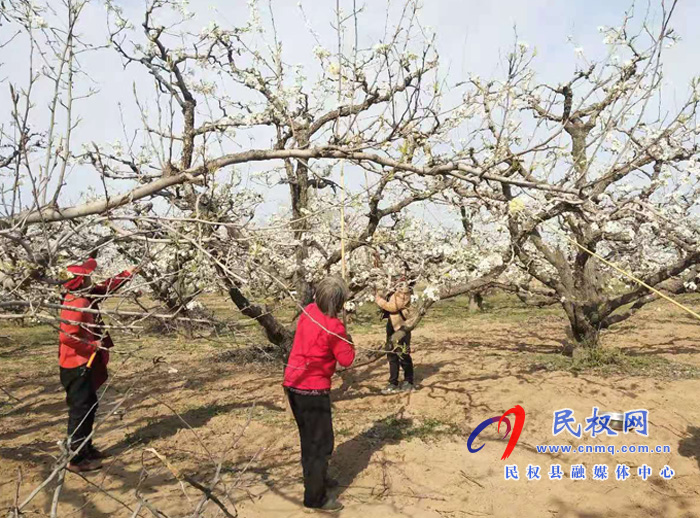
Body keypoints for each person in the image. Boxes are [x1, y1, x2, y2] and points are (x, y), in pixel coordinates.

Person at [283, 276, 355, 513]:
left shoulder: (309, 311)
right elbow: (347, 359)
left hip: (293, 383)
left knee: (309, 439)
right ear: (339, 303)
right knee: (321, 445)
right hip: (311, 390)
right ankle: (315, 498)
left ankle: (317, 480)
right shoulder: (334, 327)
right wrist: (348, 339)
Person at [59, 258, 137, 473]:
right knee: (81, 409)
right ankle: (76, 458)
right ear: (82, 280)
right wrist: (93, 345)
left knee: (89, 405)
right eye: (88, 276)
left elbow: (103, 289)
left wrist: (127, 273)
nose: (92, 280)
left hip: (82, 362)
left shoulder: (83, 296)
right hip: (77, 365)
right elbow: (67, 337)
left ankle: (86, 448)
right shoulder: (77, 303)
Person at [375, 281, 414, 394]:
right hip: (391, 324)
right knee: (391, 353)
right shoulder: (391, 287)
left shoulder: (404, 289)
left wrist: (379, 301)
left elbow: (394, 307)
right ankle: (393, 382)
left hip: (401, 326)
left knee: (403, 354)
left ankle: (408, 380)